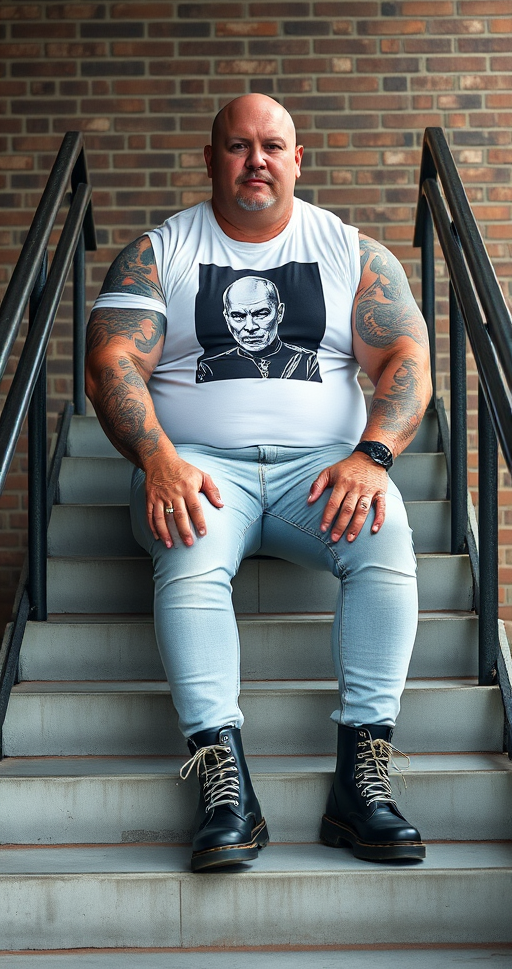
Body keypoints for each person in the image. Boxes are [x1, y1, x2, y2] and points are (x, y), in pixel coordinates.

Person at [85, 93, 432, 872]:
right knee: (191, 540)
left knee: (386, 530)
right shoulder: (159, 251)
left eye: (272, 145)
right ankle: (224, 778)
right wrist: (159, 459)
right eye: (238, 146)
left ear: (298, 159)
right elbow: (113, 363)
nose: (256, 160)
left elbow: (406, 360)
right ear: (210, 159)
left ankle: (361, 781)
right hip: (199, 466)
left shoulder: (350, 251)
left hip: (322, 473)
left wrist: (371, 456)